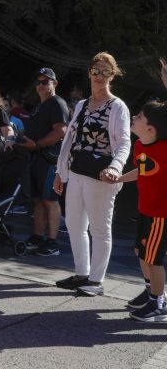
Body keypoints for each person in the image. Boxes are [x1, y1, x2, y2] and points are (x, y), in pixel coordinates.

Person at [52, 53, 130, 296]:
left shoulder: (117, 106)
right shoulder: (81, 104)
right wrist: (59, 171)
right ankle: (82, 274)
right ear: (89, 73)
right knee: (74, 225)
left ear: (112, 75)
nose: (99, 76)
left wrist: (116, 167)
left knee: (99, 228)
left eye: (105, 72)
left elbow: (124, 142)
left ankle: (96, 281)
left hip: (101, 176)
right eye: (96, 71)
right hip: (76, 173)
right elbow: (69, 139)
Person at [109, 99, 167, 321]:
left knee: (154, 259)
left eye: (140, 117)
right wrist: (119, 178)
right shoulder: (140, 145)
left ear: (151, 128)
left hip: (160, 215)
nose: (134, 118)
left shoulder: (165, 149)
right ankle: (151, 290)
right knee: (140, 252)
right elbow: (142, 171)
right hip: (145, 210)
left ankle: (158, 304)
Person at [17, 67, 69, 256]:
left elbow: (61, 131)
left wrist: (37, 144)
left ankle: (53, 242)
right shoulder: (40, 105)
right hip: (36, 158)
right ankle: (38, 236)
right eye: (38, 82)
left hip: (50, 160)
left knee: (50, 200)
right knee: (38, 200)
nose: (40, 85)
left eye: (45, 82)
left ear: (54, 83)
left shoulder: (57, 103)